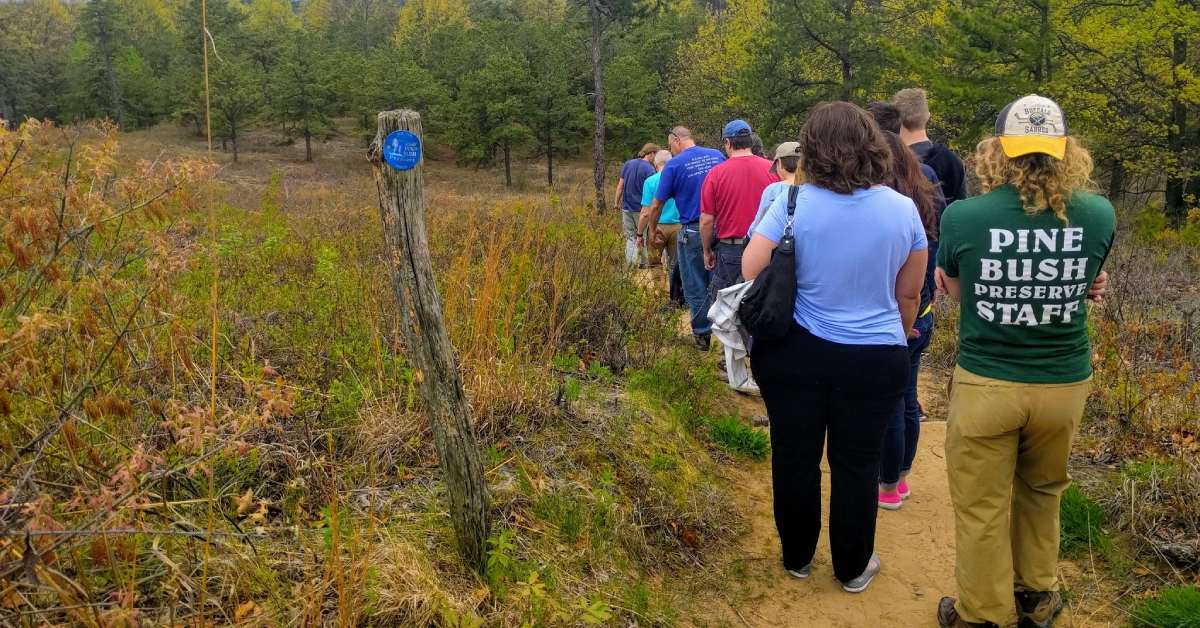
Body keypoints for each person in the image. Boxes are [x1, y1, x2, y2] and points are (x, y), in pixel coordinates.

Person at [933, 95, 1116, 628]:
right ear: (1065, 152)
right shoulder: (1099, 213)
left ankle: (983, 614)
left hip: (989, 380)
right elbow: (1086, 279)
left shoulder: (964, 216)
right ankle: (1036, 597)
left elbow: (956, 288)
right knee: (1042, 492)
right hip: (1062, 381)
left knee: (981, 506)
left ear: (997, 151)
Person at [743, 102, 928, 593]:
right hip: (874, 355)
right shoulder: (901, 208)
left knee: (794, 455)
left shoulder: (790, 201)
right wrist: (898, 328)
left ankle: (797, 557)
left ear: (811, 149)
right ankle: (851, 566)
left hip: (795, 352)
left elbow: (750, 269)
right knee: (857, 463)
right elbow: (909, 292)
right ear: (872, 144)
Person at [876, 130, 946, 511]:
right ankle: (901, 478)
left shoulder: (887, 207)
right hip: (923, 313)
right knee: (908, 399)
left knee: (890, 404)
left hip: (897, 317)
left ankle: (886, 485)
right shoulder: (926, 198)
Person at [647, 126, 725, 350]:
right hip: (721, 229)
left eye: (670, 144)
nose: (671, 149)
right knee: (719, 283)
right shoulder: (716, 156)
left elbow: (657, 204)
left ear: (677, 140)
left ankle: (702, 335)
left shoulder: (674, 165)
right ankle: (726, 333)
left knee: (695, 284)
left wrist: (652, 230)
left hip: (692, 229)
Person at [700, 119, 777, 309]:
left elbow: (706, 220)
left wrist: (706, 250)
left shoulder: (716, 174)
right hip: (766, 248)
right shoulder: (772, 169)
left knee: (726, 308)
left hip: (730, 250)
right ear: (750, 140)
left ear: (727, 142)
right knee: (761, 304)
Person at [893, 88, 968, 204]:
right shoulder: (952, 161)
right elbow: (961, 209)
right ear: (928, 116)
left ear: (897, 120)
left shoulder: (890, 163)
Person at [639, 150, 680, 293]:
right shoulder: (679, 179)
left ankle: (662, 292)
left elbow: (645, 213)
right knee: (676, 264)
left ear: (656, 165)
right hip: (678, 227)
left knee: (655, 263)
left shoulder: (650, 182)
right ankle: (677, 295)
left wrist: (639, 234)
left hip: (657, 227)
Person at [615, 143, 659, 266]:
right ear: (651, 154)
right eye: (655, 155)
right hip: (642, 210)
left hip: (626, 208)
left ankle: (631, 265)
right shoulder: (650, 170)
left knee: (630, 237)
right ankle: (644, 265)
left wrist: (616, 204)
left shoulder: (628, 164)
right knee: (642, 237)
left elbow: (620, 186)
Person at [748, 141, 801, 237]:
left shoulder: (773, 190)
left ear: (780, 163)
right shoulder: (813, 189)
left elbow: (758, 225)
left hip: (778, 245)